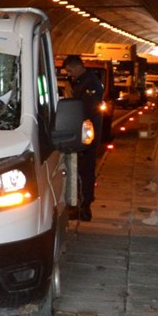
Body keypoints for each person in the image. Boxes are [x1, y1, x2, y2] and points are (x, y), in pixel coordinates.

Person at [65, 55, 104, 221]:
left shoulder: (90, 84)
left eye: (70, 70)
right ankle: (79, 205)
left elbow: (86, 111)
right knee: (80, 170)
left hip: (86, 136)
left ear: (78, 66)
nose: (69, 74)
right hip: (84, 134)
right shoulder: (82, 82)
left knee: (84, 171)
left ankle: (84, 207)